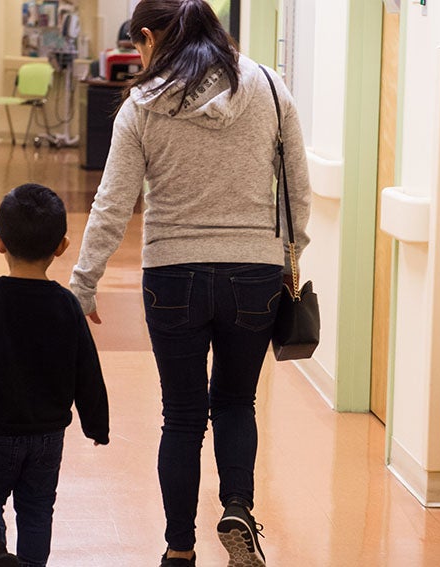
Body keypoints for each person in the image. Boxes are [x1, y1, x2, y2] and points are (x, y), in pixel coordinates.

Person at [69, 1, 311, 565]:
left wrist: (85, 283)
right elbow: (298, 188)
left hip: (172, 274)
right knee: (235, 401)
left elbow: (112, 203)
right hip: (253, 273)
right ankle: (237, 508)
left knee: (181, 414)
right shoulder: (270, 89)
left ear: (150, 38)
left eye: (137, 45)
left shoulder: (142, 106)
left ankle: (179, 549)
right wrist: (287, 255)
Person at [0, 183, 110, 567]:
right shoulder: (67, 305)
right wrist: (98, 426)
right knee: (37, 510)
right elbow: (88, 373)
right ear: (61, 246)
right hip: (48, 436)